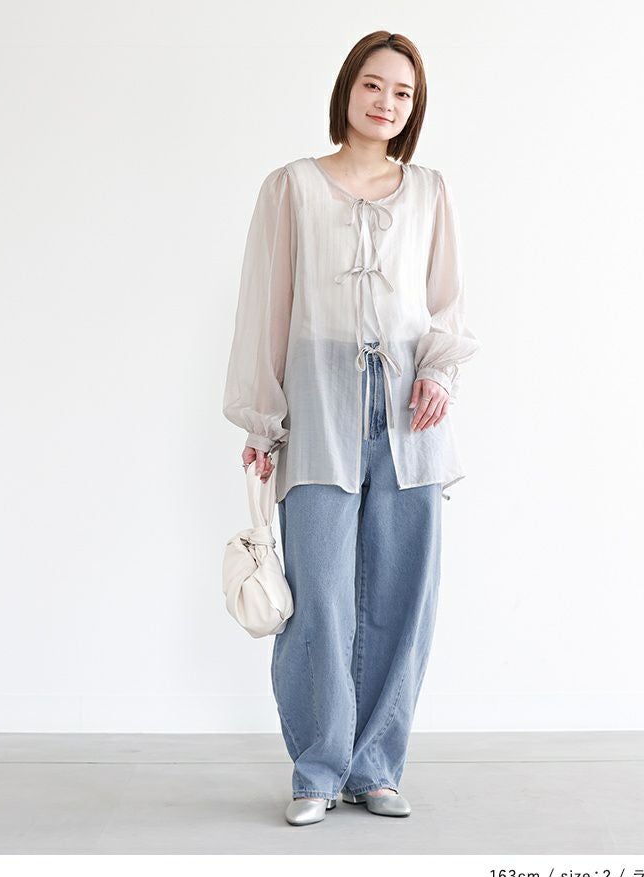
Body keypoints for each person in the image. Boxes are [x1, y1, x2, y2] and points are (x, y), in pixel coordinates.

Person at [223, 30, 481, 826]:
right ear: (347, 90)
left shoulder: (430, 191)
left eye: (403, 93)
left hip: (410, 414)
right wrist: (262, 420)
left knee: (404, 596)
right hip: (317, 407)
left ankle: (375, 768)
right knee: (319, 599)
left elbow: (447, 301)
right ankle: (317, 768)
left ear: (415, 107)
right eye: (374, 85)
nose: (386, 103)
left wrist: (438, 372)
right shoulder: (292, 187)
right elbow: (266, 304)